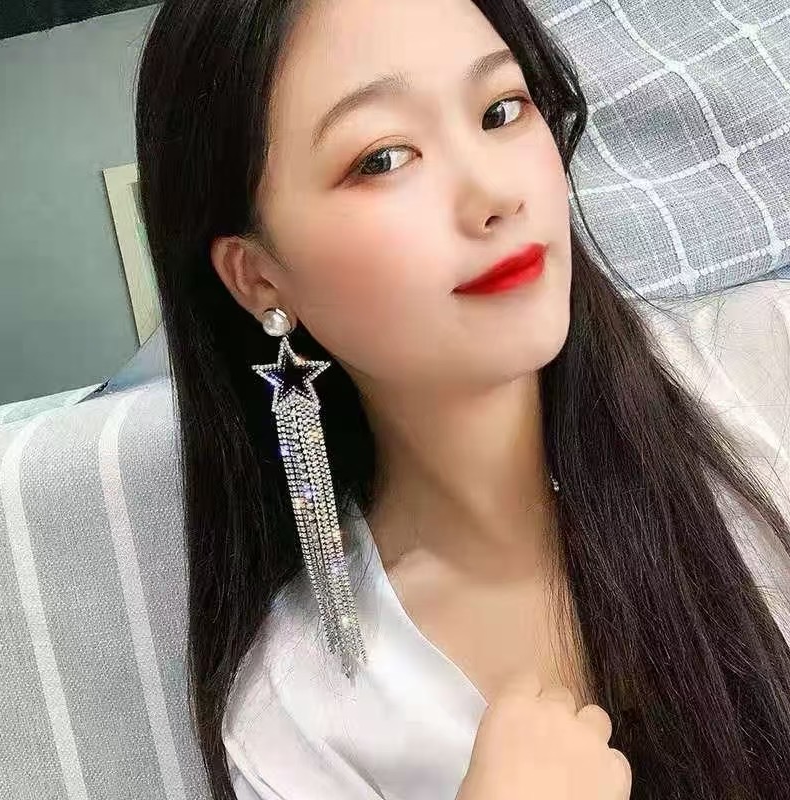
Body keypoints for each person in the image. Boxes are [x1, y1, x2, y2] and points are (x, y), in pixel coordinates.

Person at [133, 0, 790, 798]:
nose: (494, 193)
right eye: (383, 158)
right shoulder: (303, 716)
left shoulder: (765, 373)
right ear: (259, 278)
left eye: (501, 110)